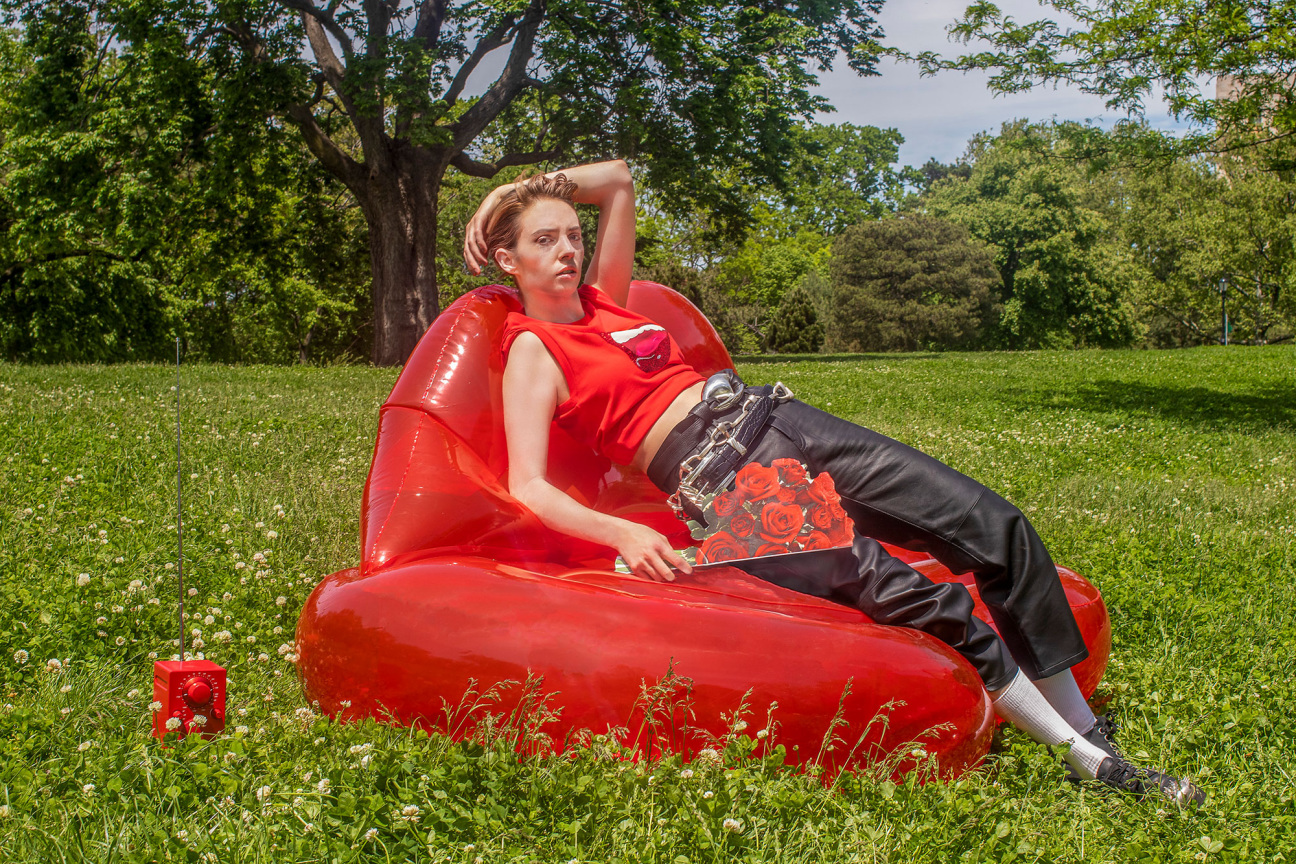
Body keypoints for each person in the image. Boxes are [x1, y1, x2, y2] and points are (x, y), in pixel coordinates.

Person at [462, 160, 1205, 806]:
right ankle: (1092, 762)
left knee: (992, 525)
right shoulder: (534, 349)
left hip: (784, 422)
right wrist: (623, 528)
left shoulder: (607, 302)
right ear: (507, 260)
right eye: (541, 240)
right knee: (921, 597)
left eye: (570, 235)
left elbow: (618, 179)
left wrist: (515, 188)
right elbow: (528, 483)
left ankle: (1084, 725)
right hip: (725, 487)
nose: (566, 249)